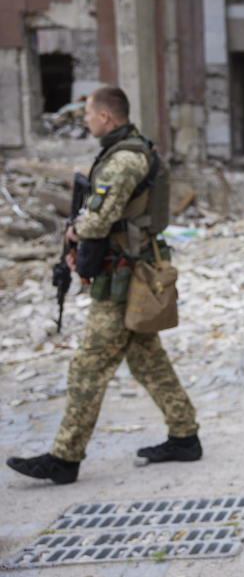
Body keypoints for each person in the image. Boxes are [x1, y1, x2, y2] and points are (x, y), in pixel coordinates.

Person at [6, 86, 201, 485]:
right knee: (147, 357)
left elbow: (98, 218)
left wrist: (76, 232)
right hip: (127, 269)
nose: (85, 120)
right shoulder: (127, 151)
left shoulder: (125, 159)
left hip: (124, 276)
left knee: (88, 367)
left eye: (89, 115)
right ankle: (184, 435)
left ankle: (64, 458)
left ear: (107, 117)